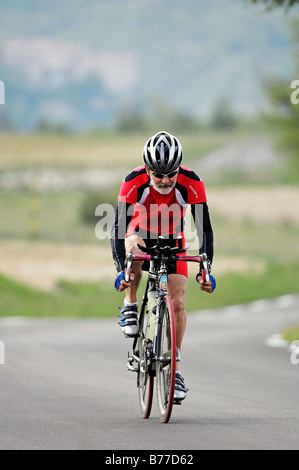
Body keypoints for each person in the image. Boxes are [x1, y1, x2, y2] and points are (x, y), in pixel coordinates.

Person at [111, 131, 216, 403]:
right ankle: (131, 302)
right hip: (141, 233)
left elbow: (204, 228)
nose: (166, 180)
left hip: (174, 240)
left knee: (178, 304)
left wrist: (205, 268)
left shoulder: (192, 182)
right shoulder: (132, 180)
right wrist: (120, 270)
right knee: (132, 245)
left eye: (171, 173)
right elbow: (119, 227)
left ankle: (175, 370)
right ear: (147, 170)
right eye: (158, 175)